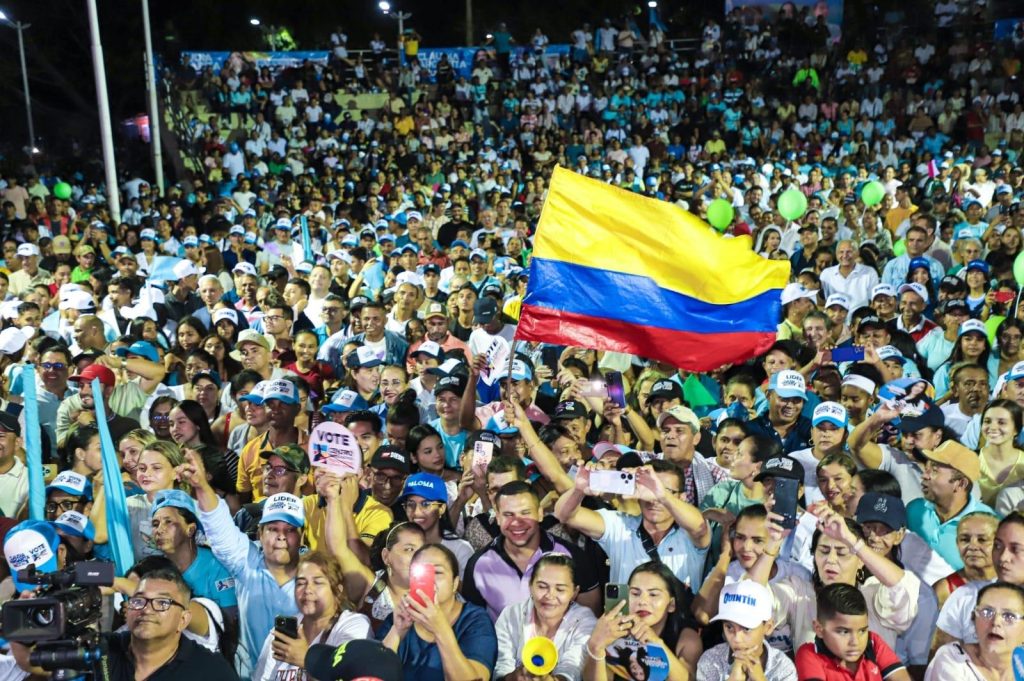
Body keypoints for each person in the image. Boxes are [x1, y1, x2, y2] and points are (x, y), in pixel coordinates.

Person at [179, 449, 302, 677]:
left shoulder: (314, 572)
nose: (281, 536)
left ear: (302, 535)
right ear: (260, 532)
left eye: (290, 529)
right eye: (273, 529)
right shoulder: (247, 561)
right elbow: (219, 528)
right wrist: (202, 487)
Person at [555, 459, 710, 589]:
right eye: (649, 488)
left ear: (682, 497)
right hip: (625, 623)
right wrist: (579, 490)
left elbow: (700, 526)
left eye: (666, 490)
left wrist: (662, 496)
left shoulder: (689, 533)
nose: (653, 499)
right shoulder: (619, 525)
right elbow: (565, 515)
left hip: (678, 624)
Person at [463, 481, 601, 620]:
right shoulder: (478, 564)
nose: (517, 522)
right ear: (497, 518)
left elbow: (590, 619)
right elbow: (474, 624)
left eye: (525, 513)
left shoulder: (573, 555)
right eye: (508, 514)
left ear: (540, 514)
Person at [379, 544, 498, 681]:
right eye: (422, 574)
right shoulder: (398, 618)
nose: (430, 581)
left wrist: (440, 629)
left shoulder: (475, 619)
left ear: (454, 583)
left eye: (437, 572)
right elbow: (373, 675)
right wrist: (396, 631)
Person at [252, 551, 372, 681]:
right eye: (301, 583)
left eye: (318, 582)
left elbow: (347, 676)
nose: (307, 590)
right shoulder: (283, 631)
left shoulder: (353, 626)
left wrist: (305, 660)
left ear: (337, 590)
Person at [106, 567, 240, 680]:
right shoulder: (101, 649)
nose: (146, 609)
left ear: (183, 620)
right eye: (139, 600)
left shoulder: (211, 671)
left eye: (162, 602)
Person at [584, 560, 703, 680]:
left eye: (653, 594)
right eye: (635, 593)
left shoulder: (687, 639)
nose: (642, 601)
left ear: (671, 604)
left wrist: (657, 644)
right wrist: (596, 646)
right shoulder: (612, 633)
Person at [493, 552, 598, 680]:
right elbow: (501, 667)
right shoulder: (511, 614)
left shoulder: (584, 621)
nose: (549, 595)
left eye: (560, 589)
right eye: (542, 586)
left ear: (574, 592)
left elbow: (572, 669)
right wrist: (513, 677)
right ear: (530, 586)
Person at [794, 583, 910, 681]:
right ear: (819, 629)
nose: (855, 642)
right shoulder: (809, 654)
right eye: (844, 632)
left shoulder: (873, 642)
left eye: (862, 631)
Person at [696, 580, 797, 681]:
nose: (737, 638)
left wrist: (760, 679)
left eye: (746, 628)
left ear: (768, 627)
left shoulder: (783, 667)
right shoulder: (711, 660)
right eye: (729, 627)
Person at [926, 581, 1024, 681]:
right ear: (973, 618)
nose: (996, 622)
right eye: (987, 612)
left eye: (1009, 616)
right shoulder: (951, 659)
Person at [934, 511, 998, 610]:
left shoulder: (1016, 582)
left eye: (982, 540)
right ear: (957, 543)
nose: (972, 546)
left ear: (998, 544)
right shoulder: (944, 591)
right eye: (965, 539)